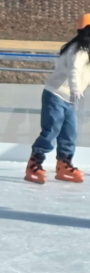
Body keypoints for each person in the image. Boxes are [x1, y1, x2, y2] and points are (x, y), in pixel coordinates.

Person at [24, 14, 90, 184]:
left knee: (69, 133)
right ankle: (34, 163)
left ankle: (64, 165)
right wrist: (75, 88)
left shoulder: (85, 49)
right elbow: (74, 69)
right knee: (51, 130)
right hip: (56, 95)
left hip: (69, 100)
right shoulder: (78, 49)